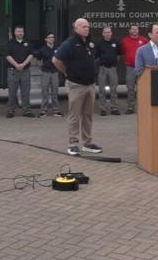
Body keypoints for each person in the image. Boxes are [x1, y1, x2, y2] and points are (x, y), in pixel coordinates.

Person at [53, 18, 103, 156]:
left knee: (88, 115)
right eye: (84, 26)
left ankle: (87, 143)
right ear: (76, 28)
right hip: (76, 85)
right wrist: (66, 72)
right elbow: (56, 60)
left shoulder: (91, 42)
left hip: (90, 85)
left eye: (88, 26)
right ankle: (73, 143)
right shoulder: (69, 43)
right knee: (74, 115)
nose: (87, 28)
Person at [5, 25, 34, 118]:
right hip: (13, 71)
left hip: (25, 70)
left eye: (22, 31)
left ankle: (27, 111)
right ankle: (10, 111)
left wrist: (23, 64)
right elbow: (8, 56)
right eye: (18, 31)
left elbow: (30, 55)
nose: (20, 33)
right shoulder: (10, 43)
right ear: (15, 33)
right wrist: (16, 65)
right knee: (12, 92)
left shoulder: (27, 43)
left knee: (25, 91)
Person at [120, 24, 148, 114]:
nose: (135, 31)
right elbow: (123, 54)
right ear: (130, 31)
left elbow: (147, 52)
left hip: (141, 68)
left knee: (142, 88)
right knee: (130, 88)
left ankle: (143, 107)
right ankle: (130, 108)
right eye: (133, 29)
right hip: (130, 68)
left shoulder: (144, 40)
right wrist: (128, 61)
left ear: (138, 30)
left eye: (136, 29)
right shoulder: (124, 41)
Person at [35, 33, 63, 117]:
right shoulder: (42, 50)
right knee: (45, 92)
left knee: (55, 92)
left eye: (53, 37)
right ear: (46, 39)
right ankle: (43, 111)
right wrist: (42, 68)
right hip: (45, 73)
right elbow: (38, 60)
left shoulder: (58, 49)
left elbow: (60, 60)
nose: (52, 39)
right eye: (50, 37)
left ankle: (56, 111)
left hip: (54, 72)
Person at [96, 27, 121, 116]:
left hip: (112, 68)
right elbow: (97, 56)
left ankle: (114, 108)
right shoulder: (99, 43)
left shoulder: (116, 42)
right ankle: (103, 109)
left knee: (113, 89)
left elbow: (118, 55)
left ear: (111, 33)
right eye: (105, 32)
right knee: (102, 89)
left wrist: (113, 62)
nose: (107, 34)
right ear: (103, 34)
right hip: (103, 68)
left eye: (109, 32)